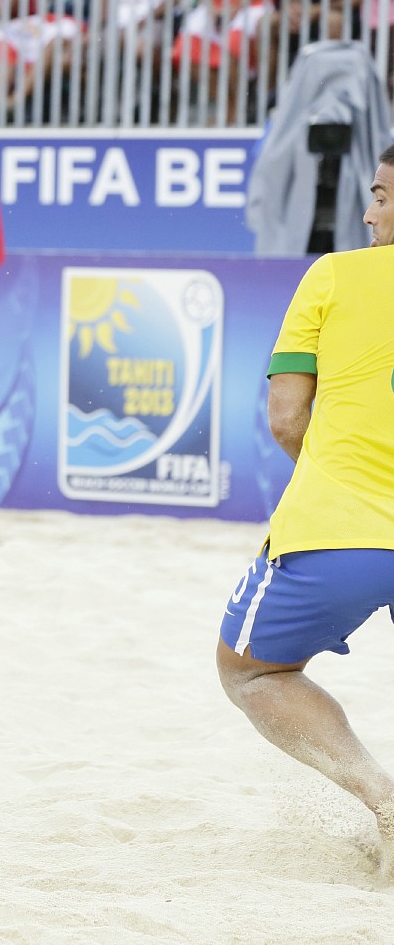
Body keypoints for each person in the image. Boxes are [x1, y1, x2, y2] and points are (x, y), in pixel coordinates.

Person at [216, 142, 394, 876]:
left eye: (382, 196)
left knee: (251, 674)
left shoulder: (333, 275)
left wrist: (333, 478)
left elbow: (287, 416)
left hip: (340, 527)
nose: (368, 211)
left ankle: (383, 799)